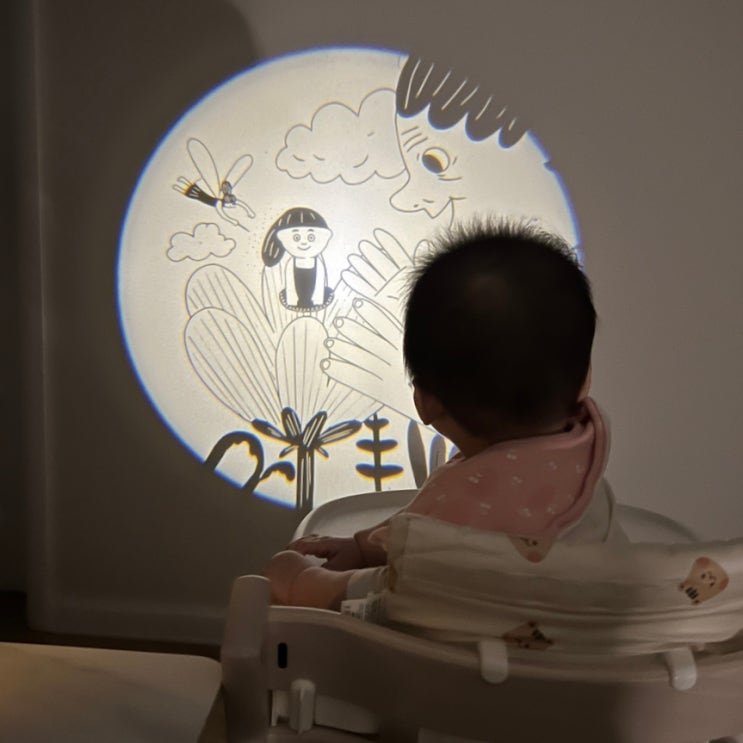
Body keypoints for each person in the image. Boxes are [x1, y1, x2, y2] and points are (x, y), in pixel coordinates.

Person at [264, 219, 612, 610]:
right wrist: (365, 546)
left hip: (445, 635)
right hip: (577, 632)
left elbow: (396, 567)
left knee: (285, 572)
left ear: (426, 401)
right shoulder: (583, 462)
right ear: (584, 381)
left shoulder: (445, 516)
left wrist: (307, 578)